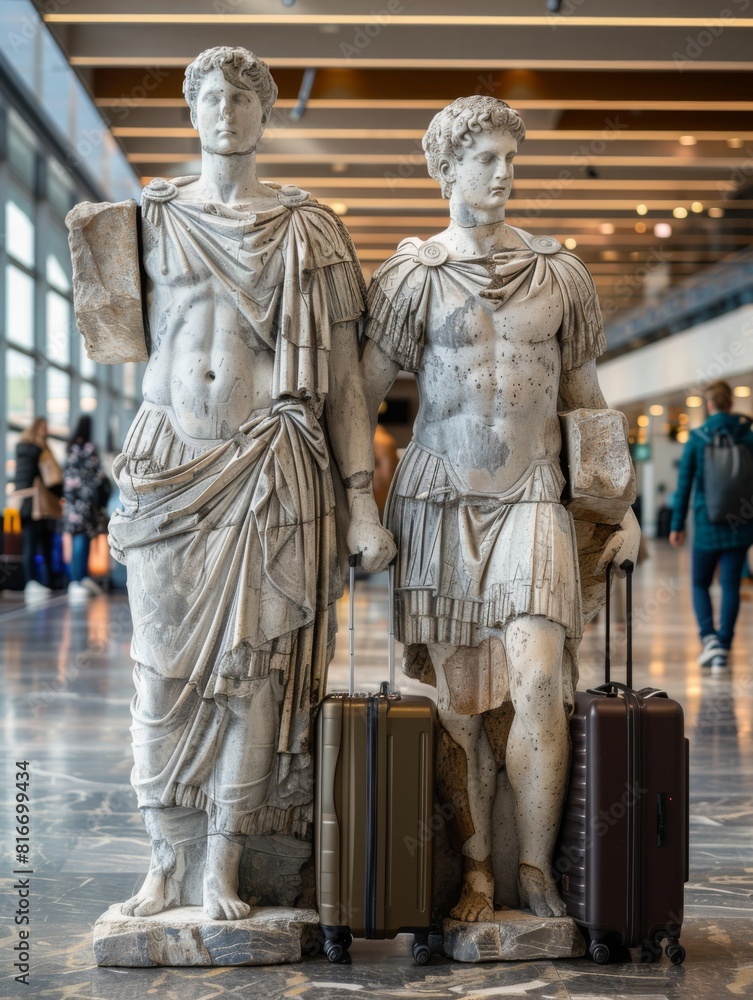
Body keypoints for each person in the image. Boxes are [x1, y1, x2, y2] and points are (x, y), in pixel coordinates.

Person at [68, 46, 394, 921]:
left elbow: (345, 383)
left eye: (244, 99)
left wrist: (360, 501)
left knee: (255, 672)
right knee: (158, 672)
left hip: (270, 463)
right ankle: (164, 861)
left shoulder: (309, 229)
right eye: (211, 97)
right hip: (169, 463)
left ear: (266, 115)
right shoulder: (145, 219)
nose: (227, 111)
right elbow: (112, 334)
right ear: (191, 111)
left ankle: (224, 862)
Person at [360, 96, 639, 921]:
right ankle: (477, 869)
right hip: (438, 498)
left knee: (541, 680)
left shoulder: (559, 274)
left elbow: (586, 399)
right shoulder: (412, 276)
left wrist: (618, 505)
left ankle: (533, 867)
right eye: (486, 158)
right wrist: (353, 504)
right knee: (458, 706)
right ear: (445, 169)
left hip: (531, 495)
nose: (504, 173)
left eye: (512, 159)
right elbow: (359, 396)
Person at [670, 380, 753, 668]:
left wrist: (677, 525)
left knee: (700, 582)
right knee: (730, 585)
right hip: (740, 524)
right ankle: (724, 645)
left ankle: (710, 640)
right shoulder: (748, 435)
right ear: (730, 402)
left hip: (707, 525)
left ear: (709, 404)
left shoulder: (697, 438)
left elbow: (684, 485)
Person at [14, 416, 62, 603]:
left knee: (31, 544)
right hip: (38, 503)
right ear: (37, 429)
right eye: (43, 428)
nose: (46, 431)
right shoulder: (39, 451)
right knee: (41, 544)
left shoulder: (21, 449)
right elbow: (53, 479)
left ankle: (33, 582)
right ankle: (41, 581)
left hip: (22, 502)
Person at [62, 415, 108, 603]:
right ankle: (80, 579)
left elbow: (66, 476)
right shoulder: (90, 449)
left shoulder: (69, 449)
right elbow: (97, 476)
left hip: (71, 502)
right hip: (86, 503)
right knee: (83, 539)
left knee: (75, 539)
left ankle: (75, 580)